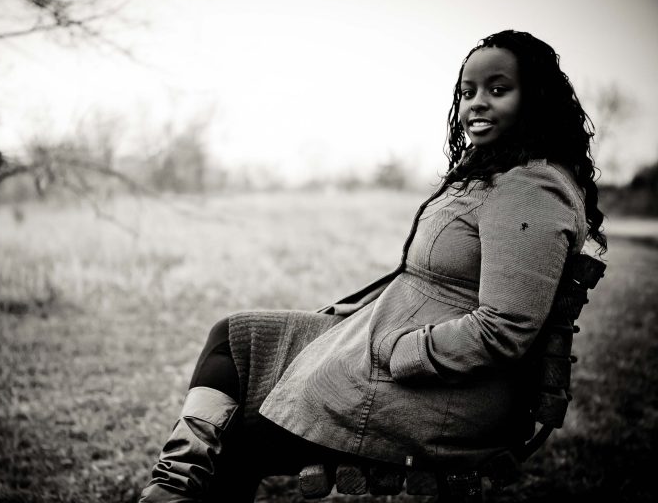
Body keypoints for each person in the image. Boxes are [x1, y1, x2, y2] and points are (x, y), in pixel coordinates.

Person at [139, 30, 607, 502]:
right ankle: (172, 486)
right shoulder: (497, 177)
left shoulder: (530, 190)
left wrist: (404, 352)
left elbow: (505, 327)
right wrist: (363, 316)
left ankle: (173, 494)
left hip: (440, 390)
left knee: (236, 439)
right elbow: (428, 282)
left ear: (537, 97)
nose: (476, 104)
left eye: (498, 89)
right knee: (235, 335)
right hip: (386, 344)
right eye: (467, 93)